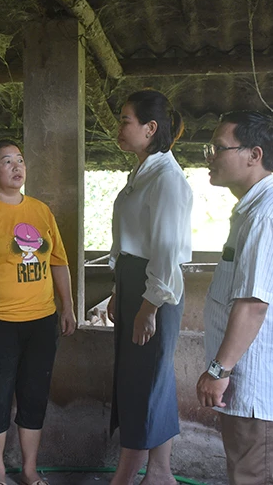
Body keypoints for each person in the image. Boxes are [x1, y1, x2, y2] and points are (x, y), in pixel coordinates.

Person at [196, 111, 273, 485]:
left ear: (254, 155)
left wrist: (218, 370)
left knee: (257, 475)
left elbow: (253, 304)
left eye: (218, 148)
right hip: (249, 380)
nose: (210, 156)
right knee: (254, 472)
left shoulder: (266, 217)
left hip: (257, 381)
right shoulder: (253, 212)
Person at [0, 139, 77, 485]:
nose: (17, 167)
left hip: (41, 320)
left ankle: (29, 469)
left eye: (20, 160)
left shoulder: (40, 211)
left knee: (34, 395)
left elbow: (59, 262)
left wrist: (66, 307)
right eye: (6, 162)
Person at [107, 90, 192, 485]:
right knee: (148, 376)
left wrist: (148, 305)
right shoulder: (143, 173)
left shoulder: (167, 179)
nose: (119, 128)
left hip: (153, 289)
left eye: (126, 120)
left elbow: (166, 250)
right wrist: (117, 289)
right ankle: (159, 473)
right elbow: (131, 240)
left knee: (143, 379)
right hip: (134, 283)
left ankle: (124, 478)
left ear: (150, 128)